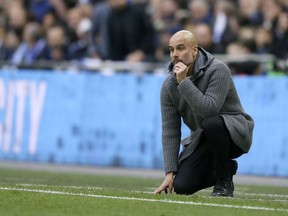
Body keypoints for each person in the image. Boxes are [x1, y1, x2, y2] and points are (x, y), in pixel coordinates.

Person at [153, 30, 254, 197]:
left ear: (194, 50)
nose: (175, 54)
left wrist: (184, 82)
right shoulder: (169, 85)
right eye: (171, 50)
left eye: (180, 48)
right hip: (203, 137)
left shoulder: (218, 69)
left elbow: (209, 110)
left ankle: (223, 182)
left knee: (211, 123)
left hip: (234, 134)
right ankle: (226, 168)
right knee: (182, 187)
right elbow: (170, 131)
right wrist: (169, 173)